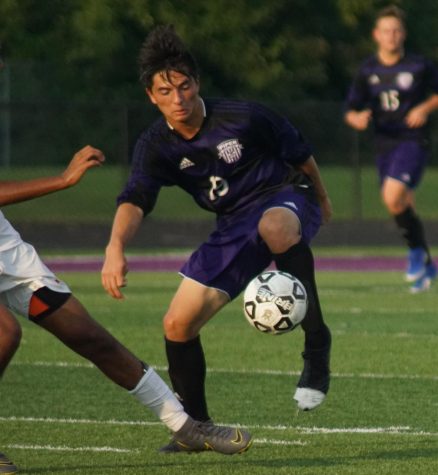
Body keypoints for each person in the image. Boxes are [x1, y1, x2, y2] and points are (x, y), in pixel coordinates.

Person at [101, 25, 333, 453]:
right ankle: (196, 427)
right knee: (177, 323)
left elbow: (299, 152)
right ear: (151, 97)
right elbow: (135, 198)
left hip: (283, 196)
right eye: (166, 92)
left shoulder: (242, 116)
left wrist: (320, 196)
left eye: (185, 87)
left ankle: (316, 343)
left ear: (197, 84)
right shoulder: (155, 145)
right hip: (232, 224)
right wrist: (115, 247)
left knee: (274, 227)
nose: (179, 100)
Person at [0, 146, 253, 472]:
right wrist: (63, 180)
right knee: (5, 332)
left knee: (89, 336)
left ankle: (186, 428)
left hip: (6, 251)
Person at [344, 5, 438, 293]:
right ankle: (425, 259)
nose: (391, 36)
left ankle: (414, 255)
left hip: (412, 140)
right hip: (384, 143)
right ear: (377, 35)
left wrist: (424, 107)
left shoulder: (419, 66)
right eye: (386, 31)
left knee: (392, 195)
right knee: (399, 203)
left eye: (396, 30)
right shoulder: (368, 71)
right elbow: (350, 109)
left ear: (403, 34)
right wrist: (357, 118)